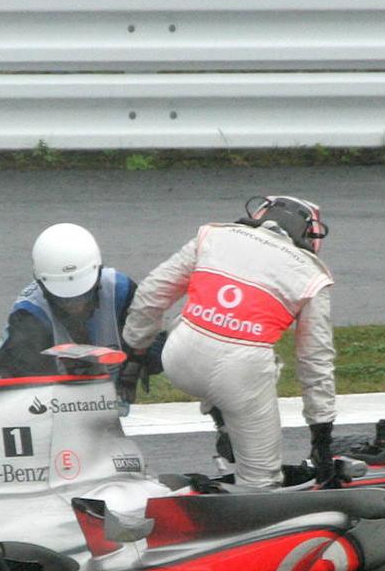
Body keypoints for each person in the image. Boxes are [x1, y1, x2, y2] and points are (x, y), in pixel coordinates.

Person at [120, 195, 336, 489]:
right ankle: (254, 501)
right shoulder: (313, 275)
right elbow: (314, 362)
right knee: (263, 481)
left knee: (200, 329)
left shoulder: (212, 235)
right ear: (310, 235)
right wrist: (321, 435)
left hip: (178, 358)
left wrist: (134, 355)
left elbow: (151, 295)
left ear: (261, 213)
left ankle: (223, 419)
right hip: (239, 378)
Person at [0, 222, 161, 381]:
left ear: (98, 276)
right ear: (42, 285)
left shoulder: (121, 291)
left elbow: (155, 349)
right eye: (64, 298)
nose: (75, 305)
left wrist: (135, 364)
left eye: (83, 295)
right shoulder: (30, 313)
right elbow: (14, 375)